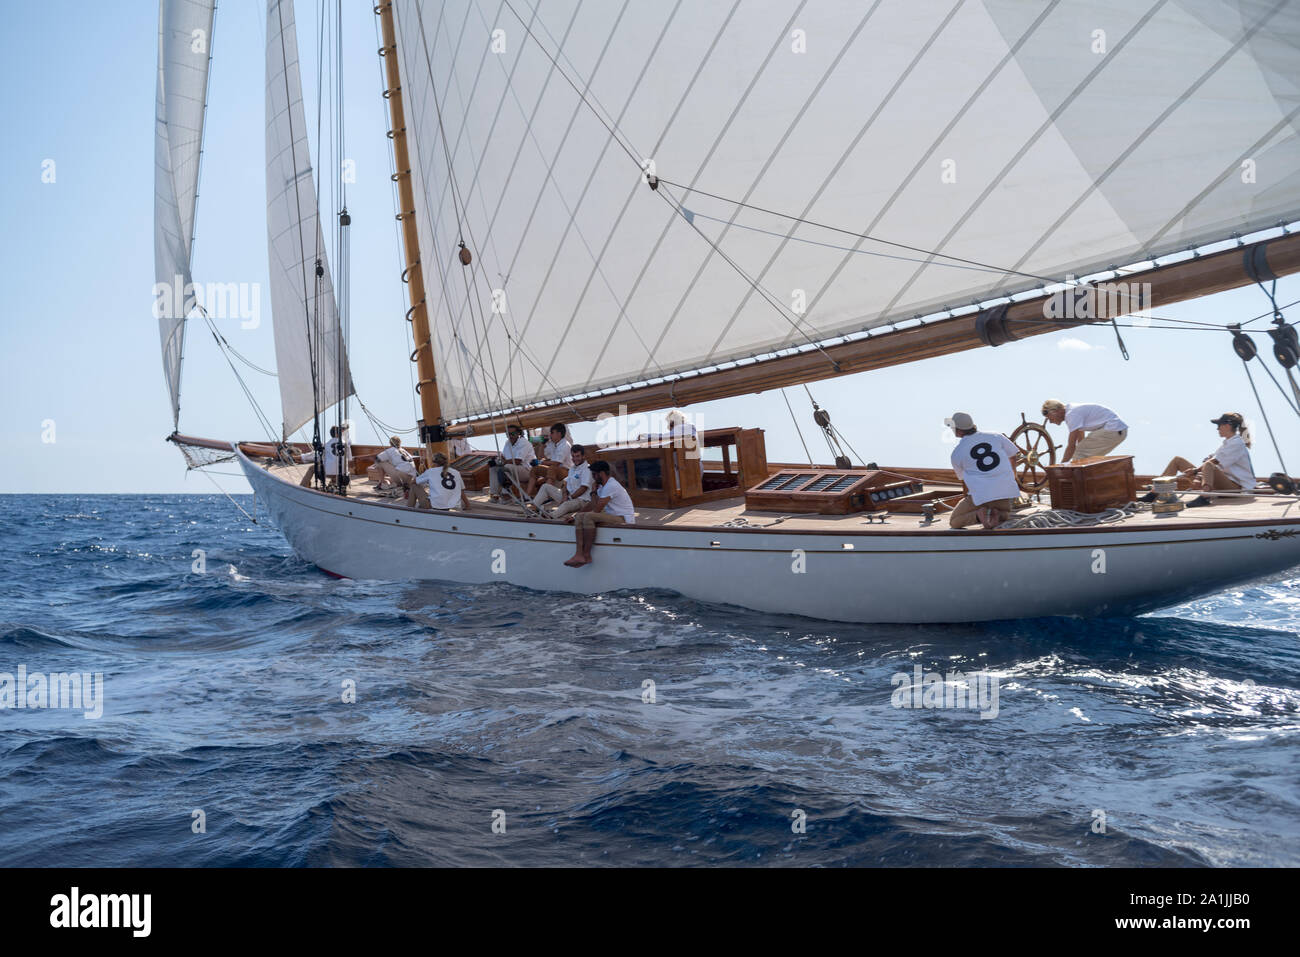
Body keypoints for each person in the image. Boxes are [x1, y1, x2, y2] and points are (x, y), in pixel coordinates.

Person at [1147, 412, 1256, 507]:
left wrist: (1195, 472)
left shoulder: (1237, 443)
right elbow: (1213, 464)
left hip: (1235, 489)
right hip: (1221, 484)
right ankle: (1154, 493)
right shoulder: (1227, 444)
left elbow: (1213, 463)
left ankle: (1205, 498)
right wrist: (1200, 476)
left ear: (1227, 426)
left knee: (1208, 464)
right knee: (1178, 460)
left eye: (1219, 425)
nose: (1217, 428)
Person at [946, 412, 1023, 529]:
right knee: (1006, 515)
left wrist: (971, 499)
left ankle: (979, 515)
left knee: (955, 521)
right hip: (1005, 492)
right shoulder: (996, 436)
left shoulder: (956, 453)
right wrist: (1012, 477)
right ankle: (997, 514)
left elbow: (964, 481)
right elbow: (1013, 455)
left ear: (959, 431)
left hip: (982, 496)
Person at [564, 460, 635, 567]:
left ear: (601, 474)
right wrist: (574, 516)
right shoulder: (602, 486)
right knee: (580, 516)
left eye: (594, 474)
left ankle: (586, 555)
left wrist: (593, 493)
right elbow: (592, 505)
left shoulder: (611, 485)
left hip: (624, 519)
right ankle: (579, 554)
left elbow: (596, 509)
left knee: (588, 517)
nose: (593, 477)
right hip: (613, 516)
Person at [1041, 399, 1128, 461]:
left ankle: (1077, 484)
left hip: (1113, 428)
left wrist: (1060, 467)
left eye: (1049, 417)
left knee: (1080, 454)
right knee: (1085, 456)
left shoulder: (1071, 415)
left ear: (1055, 411)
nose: (1050, 422)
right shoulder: (1072, 411)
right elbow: (1080, 440)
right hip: (1118, 431)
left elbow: (1071, 446)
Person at [530, 443, 591, 519]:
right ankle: (532, 509)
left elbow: (583, 488)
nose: (575, 459)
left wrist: (569, 498)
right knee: (545, 486)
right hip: (569, 497)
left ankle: (550, 516)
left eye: (578, 456)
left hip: (582, 500)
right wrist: (565, 495)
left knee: (566, 505)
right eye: (573, 456)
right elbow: (565, 483)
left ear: (583, 456)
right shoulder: (572, 468)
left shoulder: (587, 469)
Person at [525, 423, 573, 498]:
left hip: (566, 471)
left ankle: (546, 497)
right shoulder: (552, 445)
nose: (550, 435)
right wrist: (542, 445)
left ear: (559, 434)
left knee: (552, 468)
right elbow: (541, 458)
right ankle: (527, 496)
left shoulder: (565, 445)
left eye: (552, 433)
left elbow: (556, 463)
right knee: (535, 469)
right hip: (555, 469)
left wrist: (540, 462)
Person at [298, 424, 352, 488]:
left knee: (311, 468)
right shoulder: (346, 445)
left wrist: (301, 457)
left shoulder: (326, 444)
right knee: (337, 467)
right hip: (342, 474)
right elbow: (349, 459)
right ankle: (333, 484)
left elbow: (318, 456)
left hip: (329, 473)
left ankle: (302, 486)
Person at [489, 424, 533, 503]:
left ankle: (507, 495)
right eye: (508, 434)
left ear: (518, 433)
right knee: (493, 468)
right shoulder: (507, 443)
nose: (510, 436)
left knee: (507, 467)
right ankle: (494, 494)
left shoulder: (524, 443)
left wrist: (503, 462)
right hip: (513, 469)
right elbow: (504, 457)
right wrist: (497, 460)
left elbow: (518, 461)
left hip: (527, 471)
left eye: (512, 434)